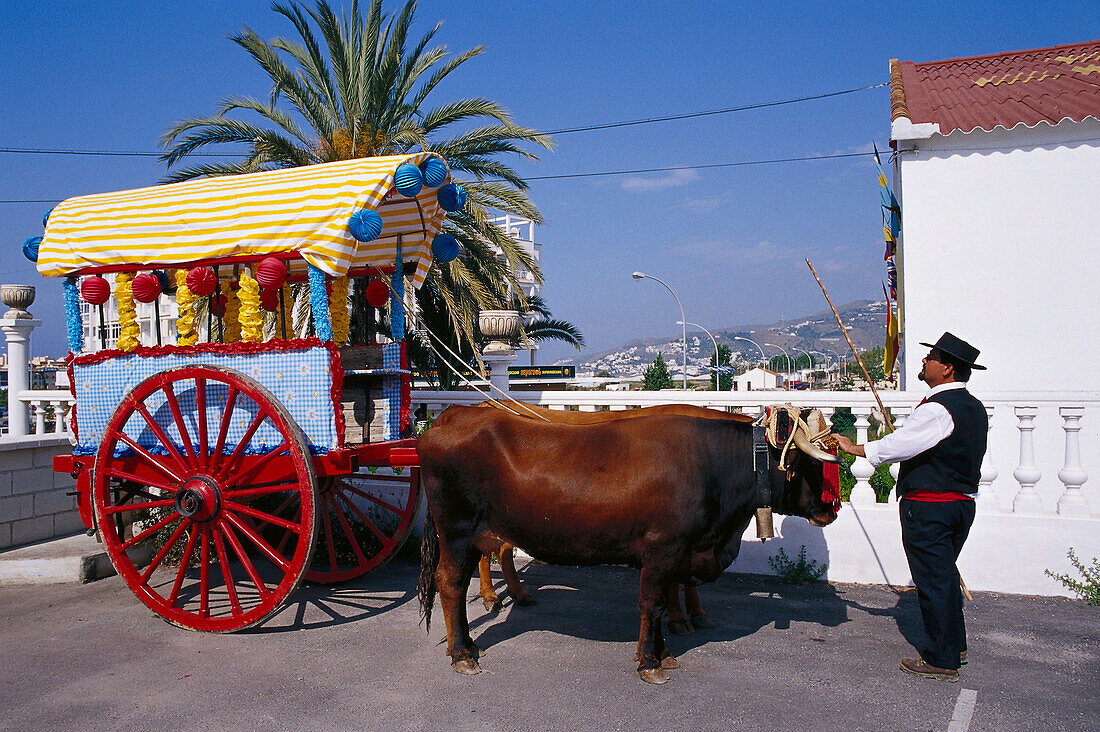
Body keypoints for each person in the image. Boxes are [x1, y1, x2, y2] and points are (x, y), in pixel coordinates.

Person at [833, 332, 987, 682]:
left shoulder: (937, 409)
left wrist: (853, 448)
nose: (923, 361)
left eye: (931, 357)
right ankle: (954, 644)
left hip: (930, 508)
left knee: (933, 581)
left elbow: (899, 445)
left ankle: (942, 659)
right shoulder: (972, 406)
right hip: (960, 506)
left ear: (947, 369)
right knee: (944, 578)